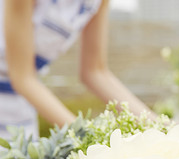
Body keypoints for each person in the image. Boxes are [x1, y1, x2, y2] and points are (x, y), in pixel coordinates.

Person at [0, 0, 155, 140]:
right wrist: (88, 137)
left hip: (22, 108)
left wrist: (158, 126)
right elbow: (23, 78)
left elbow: (96, 72)